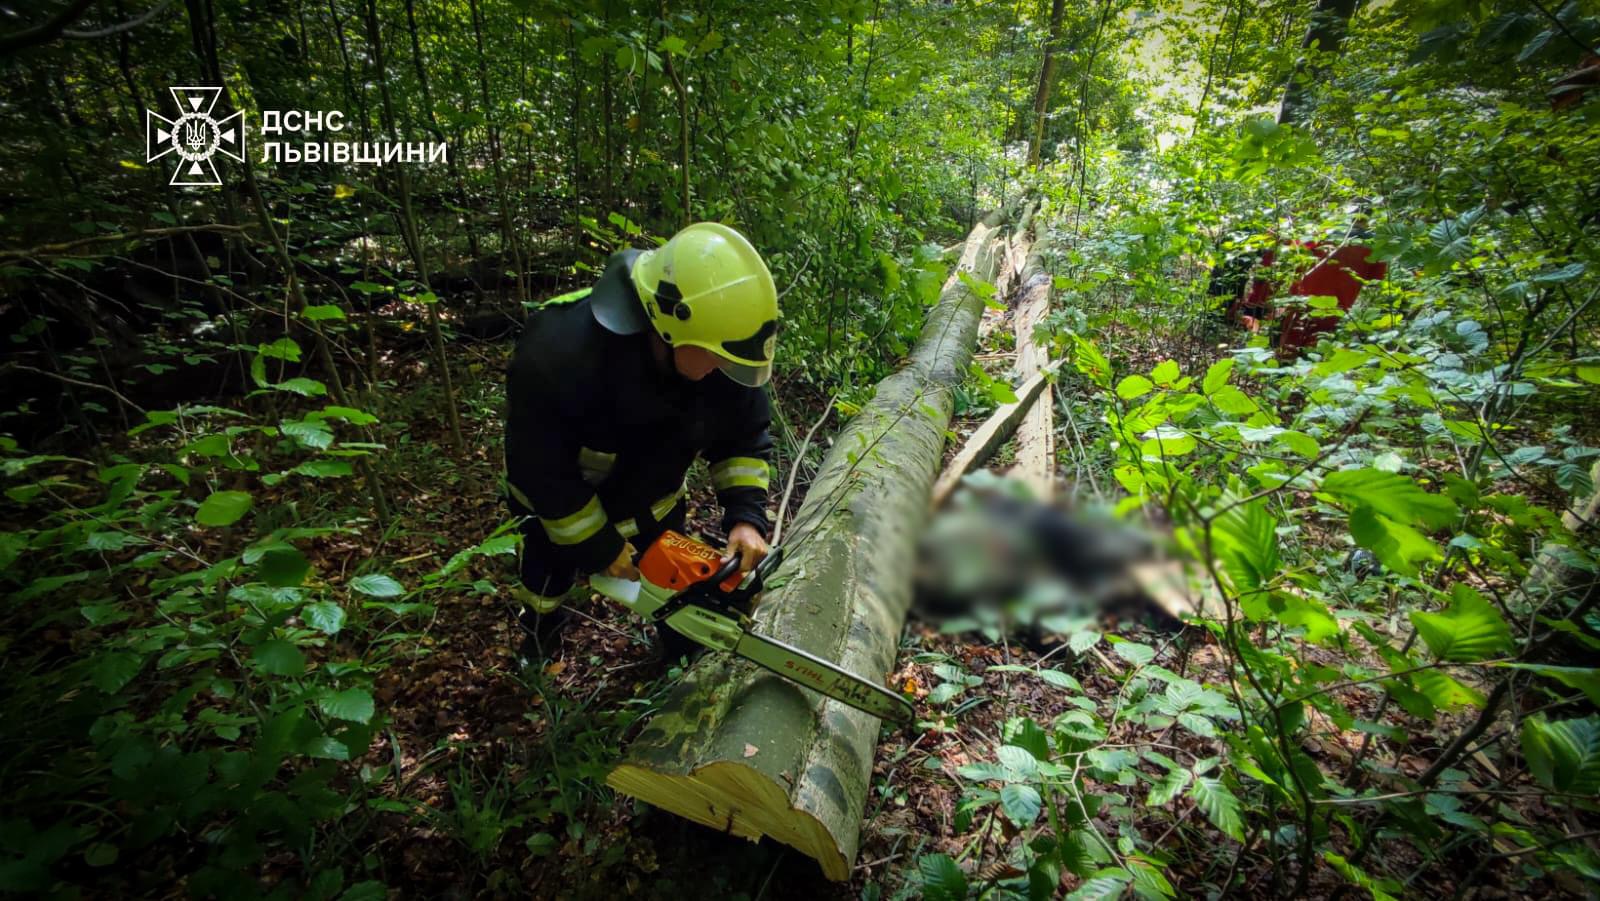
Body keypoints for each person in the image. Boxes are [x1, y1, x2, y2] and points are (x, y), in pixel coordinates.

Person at [502, 221, 778, 666]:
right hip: (559, 513)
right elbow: (541, 471)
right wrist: (599, 548)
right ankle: (538, 638)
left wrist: (746, 518)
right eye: (718, 358)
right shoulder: (558, 357)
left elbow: (743, 435)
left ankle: (681, 663)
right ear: (669, 327)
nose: (726, 369)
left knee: (680, 592)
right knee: (545, 578)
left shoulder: (720, 349)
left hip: (654, 503)